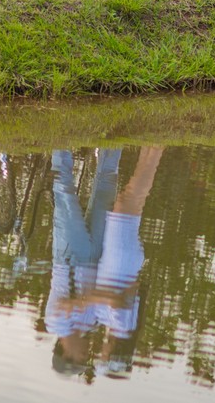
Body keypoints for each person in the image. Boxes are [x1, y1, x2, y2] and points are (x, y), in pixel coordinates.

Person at [47, 146, 164, 380]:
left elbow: (75, 302)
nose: (87, 353)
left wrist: (86, 301)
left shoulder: (56, 325)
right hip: (97, 255)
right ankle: (113, 140)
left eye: (82, 358)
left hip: (70, 255)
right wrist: (86, 301)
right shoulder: (91, 323)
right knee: (106, 188)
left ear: (66, 353)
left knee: (64, 191)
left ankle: (62, 139)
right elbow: (108, 299)